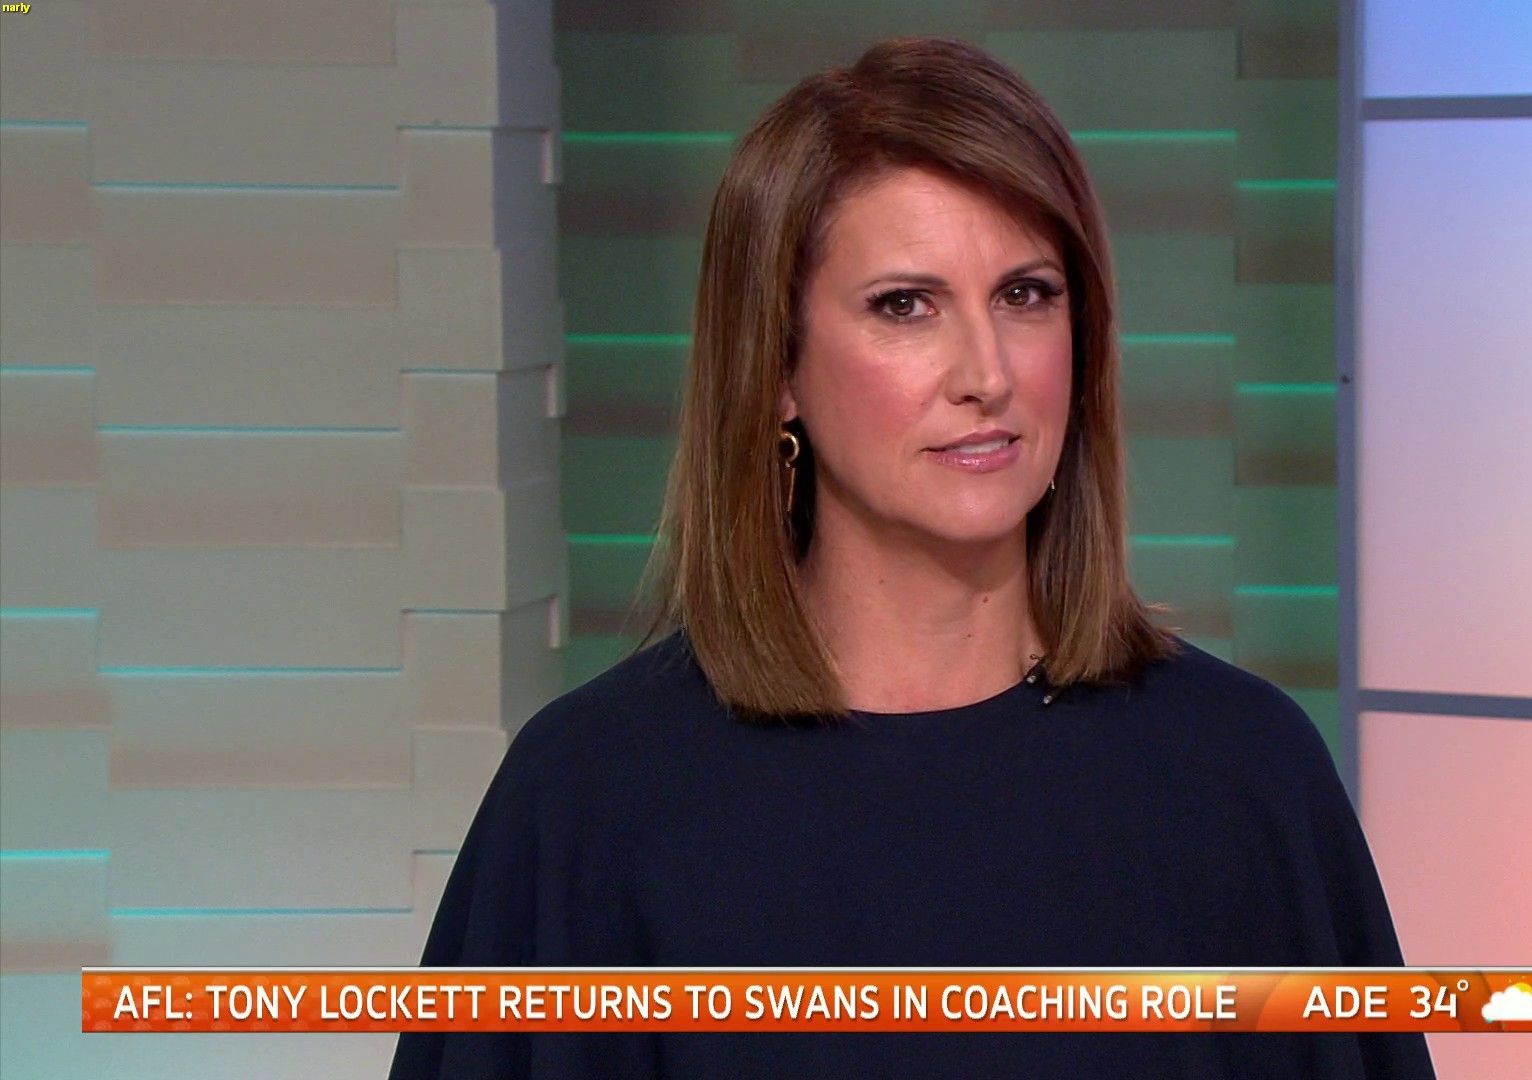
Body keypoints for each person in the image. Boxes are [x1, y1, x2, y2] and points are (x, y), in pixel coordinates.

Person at [390, 35, 1434, 1079]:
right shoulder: (591, 797)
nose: (987, 373)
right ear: (778, 367)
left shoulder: (1244, 774)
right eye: (905, 306)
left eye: (1026, 295)